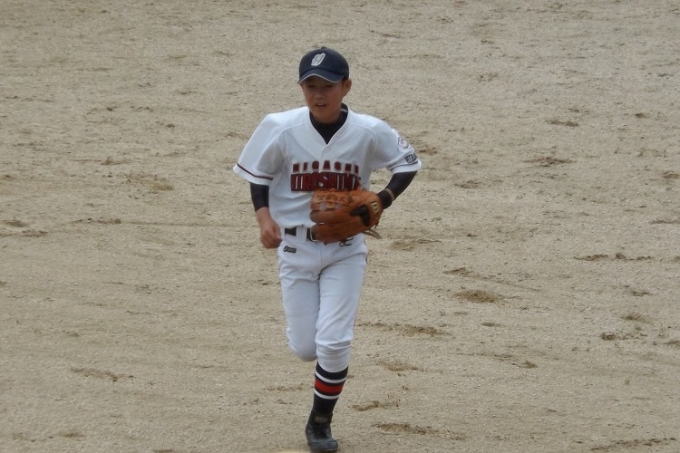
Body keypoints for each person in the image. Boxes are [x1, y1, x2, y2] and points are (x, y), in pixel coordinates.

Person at [233, 47, 421, 452]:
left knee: (334, 343)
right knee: (307, 348)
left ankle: (320, 423)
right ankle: (318, 374)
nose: (319, 95)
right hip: (295, 249)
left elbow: (407, 163)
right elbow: (259, 175)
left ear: (346, 87)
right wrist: (264, 218)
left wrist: (382, 199)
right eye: (311, 86)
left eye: (328, 86)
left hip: (346, 251)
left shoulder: (369, 130)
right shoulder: (280, 127)